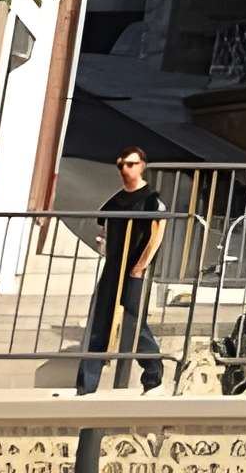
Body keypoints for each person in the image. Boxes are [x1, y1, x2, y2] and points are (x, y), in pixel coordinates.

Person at [75, 148, 167, 394]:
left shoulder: (151, 200)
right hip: (113, 266)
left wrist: (140, 266)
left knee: (132, 322)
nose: (126, 169)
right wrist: (104, 244)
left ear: (142, 166)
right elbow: (102, 229)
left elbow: (156, 236)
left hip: (134, 269)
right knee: (99, 321)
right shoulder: (116, 200)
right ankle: (86, 385)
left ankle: (153, 370)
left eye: (131, 164)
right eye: (122, 165)